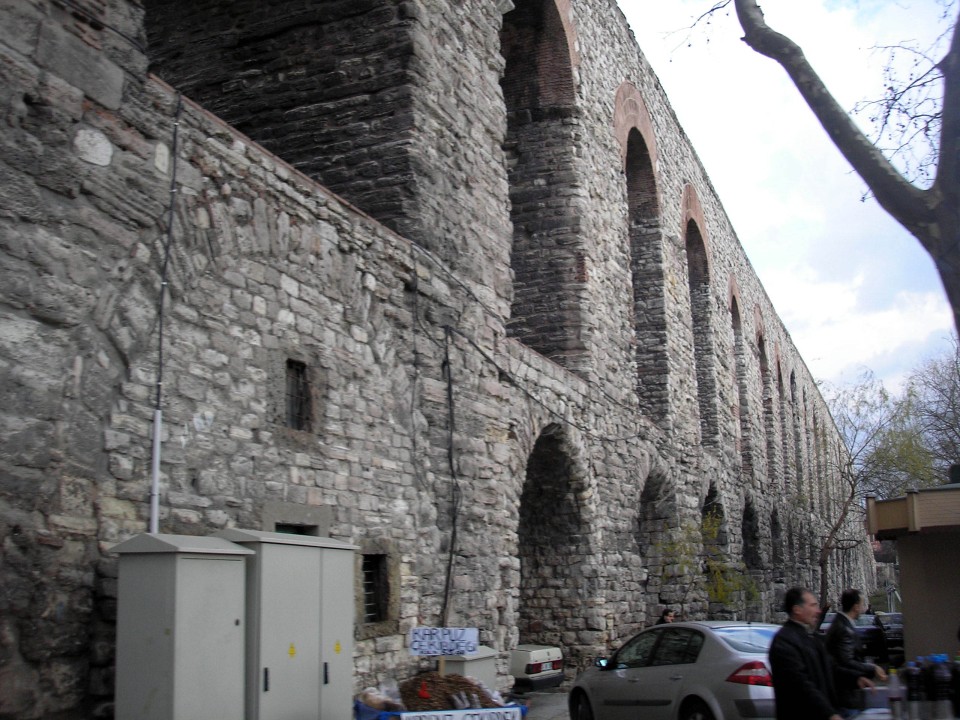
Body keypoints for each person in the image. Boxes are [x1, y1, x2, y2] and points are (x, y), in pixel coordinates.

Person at [769, 587, 870, 720]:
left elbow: (831, 668)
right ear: (797, 609)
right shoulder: (785, 642)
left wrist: (856, 678)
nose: (818, 611)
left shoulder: (810, 637)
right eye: (813, 605)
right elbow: (800, 685)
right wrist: (829, 713)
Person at [825, 588, 887, 713]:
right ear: (856, 607)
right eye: (863, 604)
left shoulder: (841, 624)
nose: (864, 608)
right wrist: (872, 668)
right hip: (845, 694)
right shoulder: (844, 629)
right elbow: (846, 661)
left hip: (845, 691)